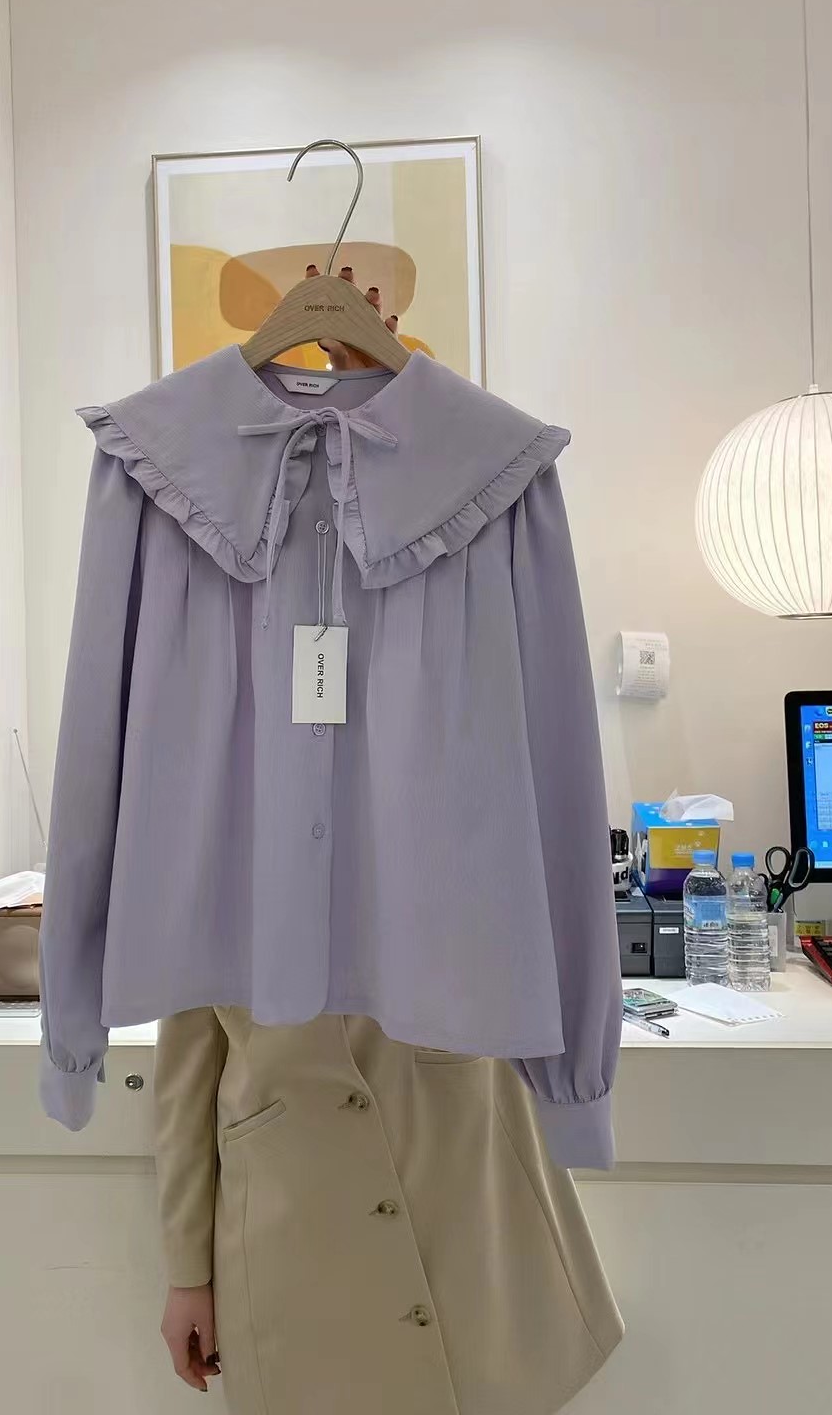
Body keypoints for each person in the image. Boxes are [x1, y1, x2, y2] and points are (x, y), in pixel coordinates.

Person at [155, 270, 624, 1415]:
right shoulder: (219, 714)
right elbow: (186, 1029)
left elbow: (542, 850)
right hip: (290, 1213)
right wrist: (184, 1263)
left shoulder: (454, 649)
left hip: (459, 1177)